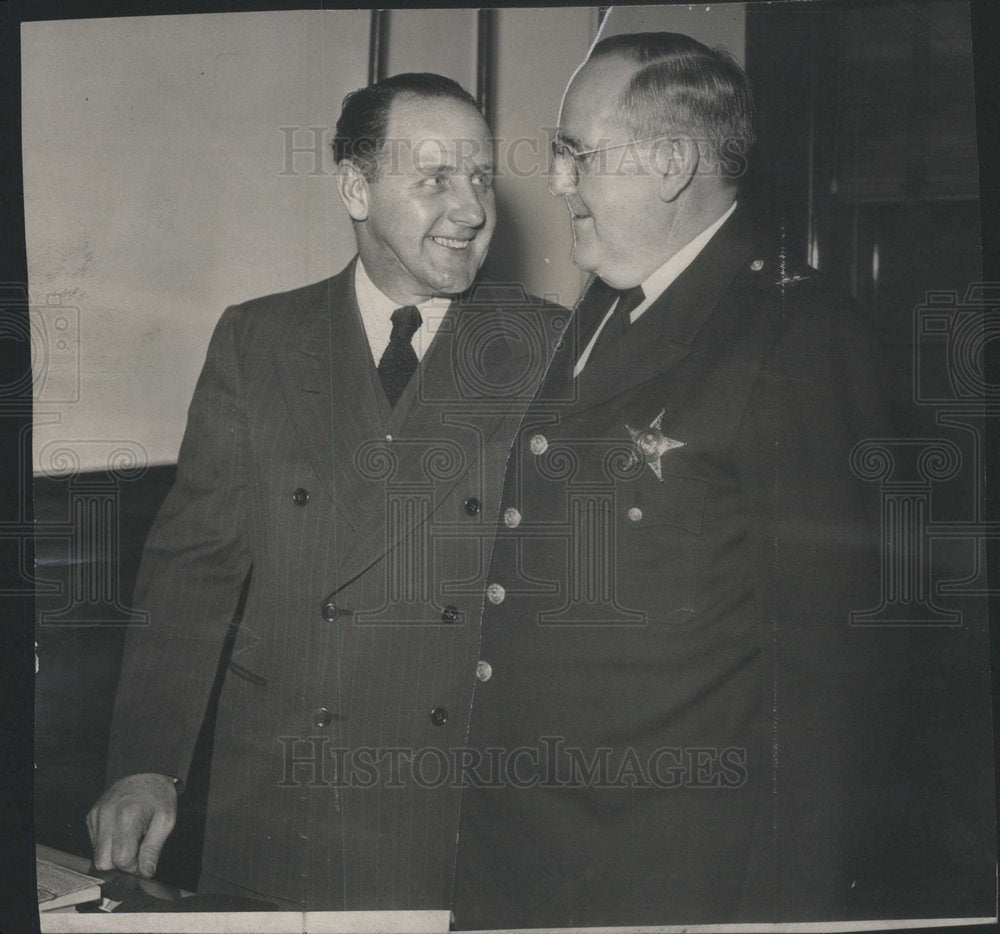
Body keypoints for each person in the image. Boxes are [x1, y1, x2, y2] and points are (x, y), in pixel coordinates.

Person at [87, 72, 559, 910]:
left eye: (481, 176)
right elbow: (193, 568)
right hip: (279, 795)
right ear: (354, 185)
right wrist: (146, 762)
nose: (472, 209)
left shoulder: (549, 346)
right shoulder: (258, 339)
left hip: (455, 805)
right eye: (434, 179)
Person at [452, 32, 889, 927]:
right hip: (530, 849)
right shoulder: (613, 296)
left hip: (669, 874)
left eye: (577, 156)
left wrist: (790, 912)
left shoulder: (797, 337)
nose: (558, 182)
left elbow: (828, 686)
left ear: (673, 163)